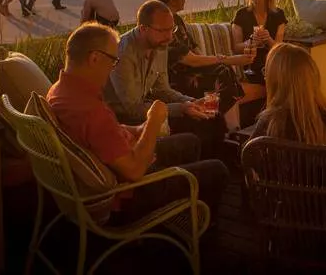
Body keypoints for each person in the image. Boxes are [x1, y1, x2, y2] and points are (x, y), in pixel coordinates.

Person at [47, 22, 228, 224]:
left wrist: (135, 130)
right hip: (128, 195)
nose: (113, 67)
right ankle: (191, 227)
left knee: (190, 142)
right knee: (217, 169)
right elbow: (134, 170)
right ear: (94, 58)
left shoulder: (60, 90)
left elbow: (98, 135)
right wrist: (154, 120)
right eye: (113, 60)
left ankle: (180, 212)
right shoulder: (90, 111)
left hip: (118, 161)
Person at [106, 0, 221, 154]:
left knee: (209, 116)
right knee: (191, 129)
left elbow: (162, 89)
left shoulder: (159, 44)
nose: (170, 37)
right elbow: (132, 108)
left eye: (171, 29)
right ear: (143, 29)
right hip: (122, 119)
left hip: (144, 110)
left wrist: (190, 102)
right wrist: (181, 108)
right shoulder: (123, 52)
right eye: (163, 31)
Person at [149, 0, 258, 131]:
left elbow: (195, 49)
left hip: (189, 71)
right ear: (173, 0)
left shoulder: (177, 20)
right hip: (174, 77)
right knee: (222, 72)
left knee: (223, 72)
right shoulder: (165, 25)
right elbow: (190, 60)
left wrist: (210, 62)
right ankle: (230, 128)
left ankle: (230, 128)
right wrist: (229, 59)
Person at [252, 44, 326, 145]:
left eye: (266, 73)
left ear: (276, 81)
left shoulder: (272, 124)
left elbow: (248, 155)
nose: (265, 78)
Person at [231, 0, 287, 86]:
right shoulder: (241, 14)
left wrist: (269, 40)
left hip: (272, 62)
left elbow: (279, 48)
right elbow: (236, 48)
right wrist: (251, 42)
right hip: (250, 64)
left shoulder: (278, 15)